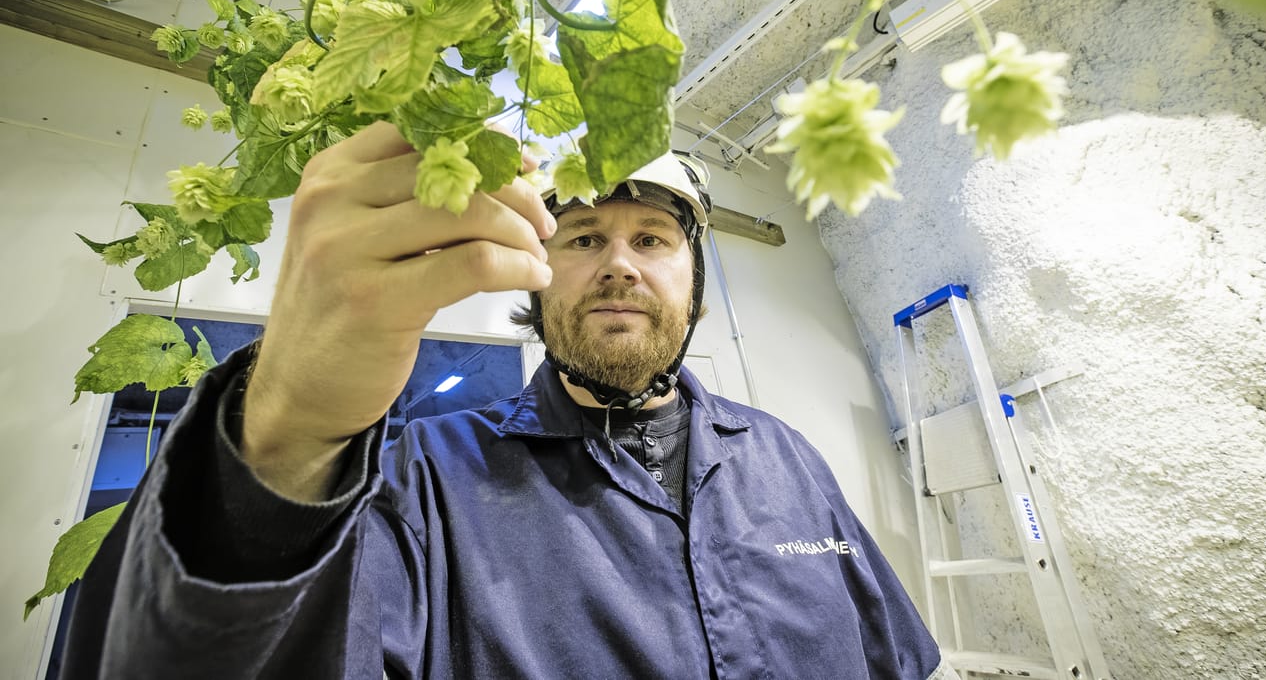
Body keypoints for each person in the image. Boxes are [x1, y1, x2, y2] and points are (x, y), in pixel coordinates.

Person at [59, 121, 957, 679]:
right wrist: (288, 426)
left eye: (652, 238)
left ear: (695, 286)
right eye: (584, 237)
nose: (618, 261)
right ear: (533, 278)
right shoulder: (426, 479)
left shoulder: (787, 456)